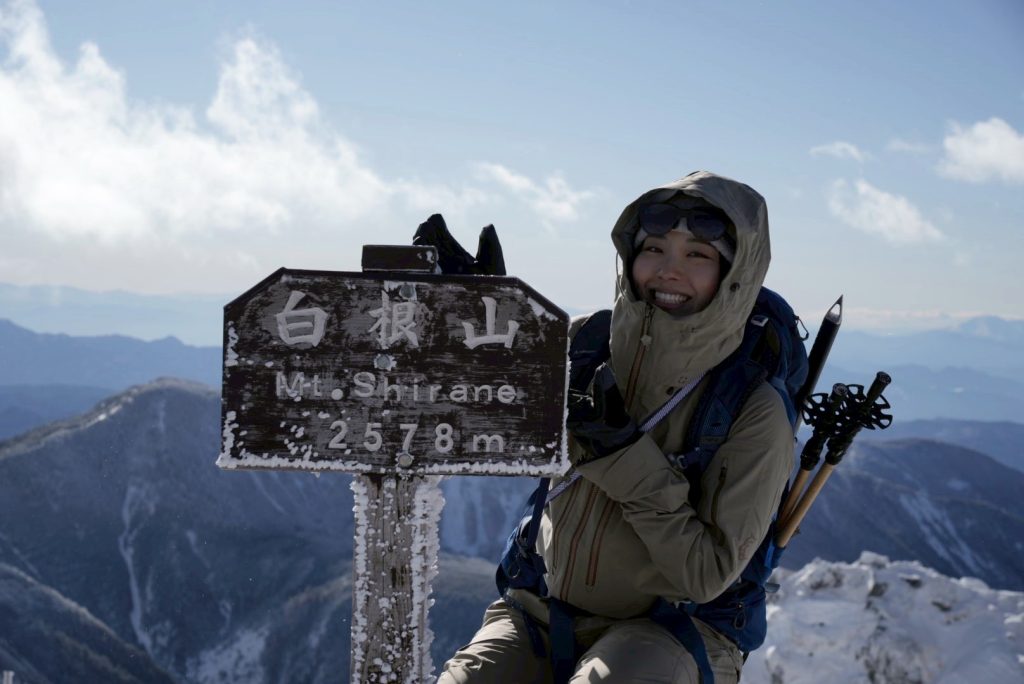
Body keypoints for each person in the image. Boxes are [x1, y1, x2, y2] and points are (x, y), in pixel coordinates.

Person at [433, 170, 795, 684]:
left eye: (697, 255)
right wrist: (477, 323)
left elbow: (705, 574)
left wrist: (621, 455)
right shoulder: (587, 341)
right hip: (541, 607)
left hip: (673, 628)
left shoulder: (752, 408)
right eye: (654, 249)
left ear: (734, 275)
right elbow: (502, 424)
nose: (669, 271)